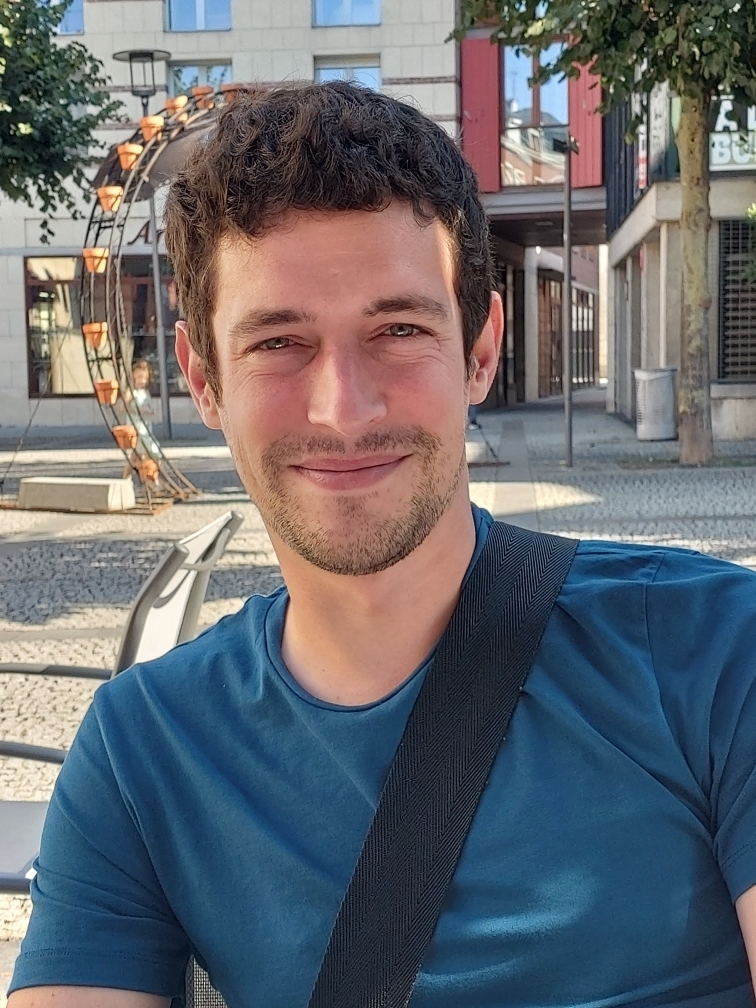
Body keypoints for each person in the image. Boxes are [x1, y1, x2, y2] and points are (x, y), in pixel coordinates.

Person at [8, 83, 756, 1007]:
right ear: (203, 380)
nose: (344, 409)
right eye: (278, 342)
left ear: (480, 350)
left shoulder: (712, 650)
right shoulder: (142, 750)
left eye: (398, 330)